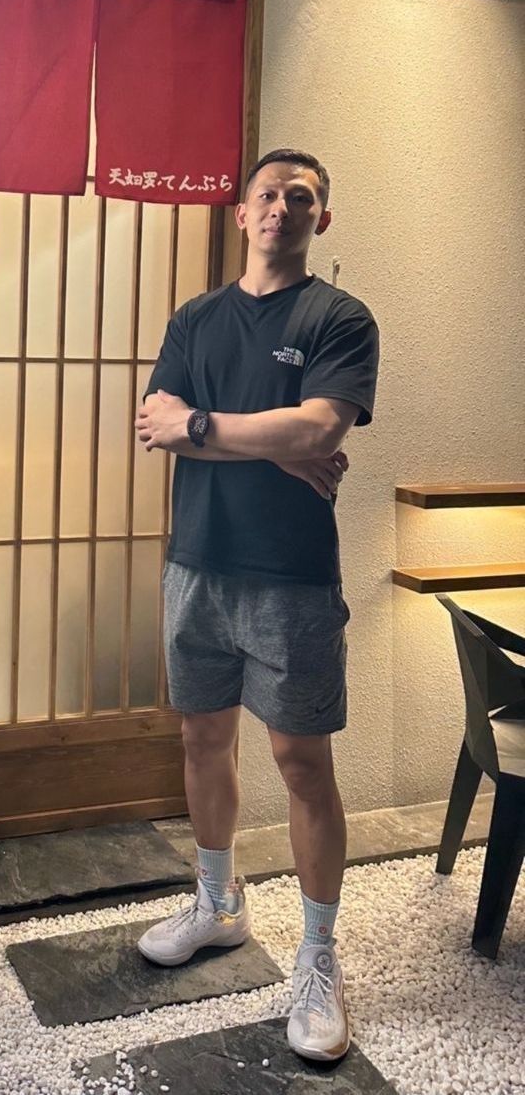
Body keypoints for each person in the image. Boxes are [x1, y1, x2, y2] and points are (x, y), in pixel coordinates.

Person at [133, 149, 379, 1063]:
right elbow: (156, 422)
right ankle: (218, 901)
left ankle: (318, 955)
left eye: (300, 197)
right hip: (197, 564)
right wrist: (275, 442)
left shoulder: (339, 317)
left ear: (321, 217)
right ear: (242, 213)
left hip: (293, 575)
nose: (281, 206)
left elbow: (321, 424)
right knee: (203, 740)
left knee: (300, 760)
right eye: (267, 194)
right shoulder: (196, 318)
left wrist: (209, 425)